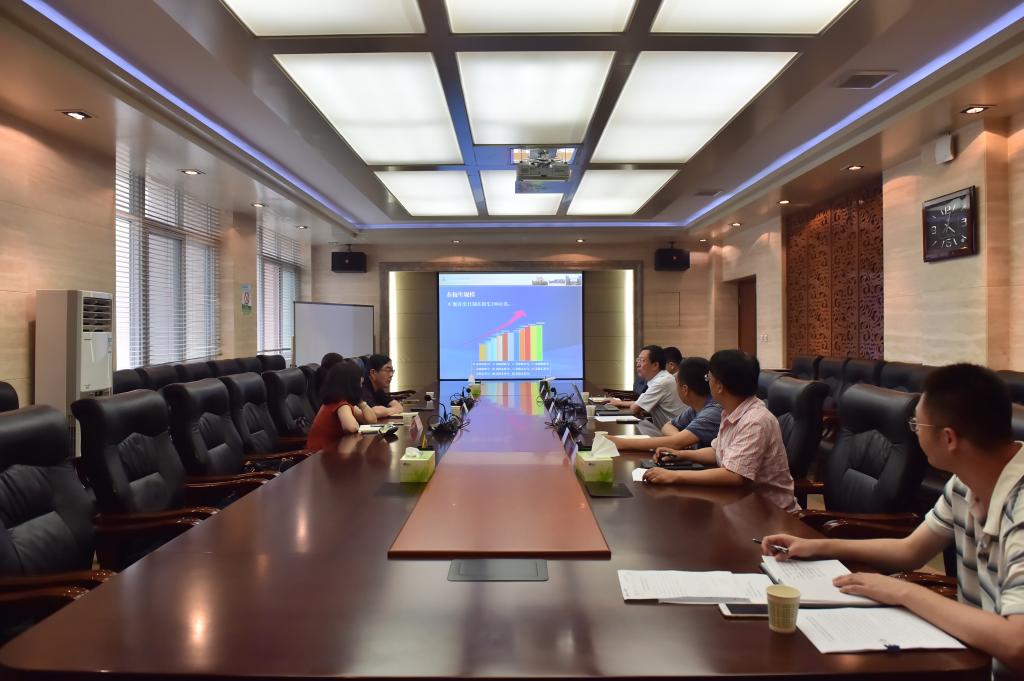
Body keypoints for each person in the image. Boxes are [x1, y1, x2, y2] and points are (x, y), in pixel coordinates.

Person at [760, 364, 1024, 679]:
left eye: (916, 425)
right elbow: (910, 550)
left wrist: (902, 592)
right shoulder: (965, 483)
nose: (915, 432)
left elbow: (1016, 643)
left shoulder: (1019, 506)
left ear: (949, 438)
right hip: (974, 659)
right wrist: (817, 546)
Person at [643, 349, 798, 512]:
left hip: (770, 513)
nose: (707, 382)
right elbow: (717, 451)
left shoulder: (755, 420)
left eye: (708, 378)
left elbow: (734, 475)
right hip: (740, 503)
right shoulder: (731, 411)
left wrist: (673, 476)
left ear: (719, 386)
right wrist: (680, 454)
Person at [608, 356, 721, 452]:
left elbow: (676, 443)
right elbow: (668, 426)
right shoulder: (695, 407)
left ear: (685, 389)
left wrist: (622, 443)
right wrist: (681, 439)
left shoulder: (712, 411)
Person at [306, 361, 377, 451]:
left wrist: (361, 402)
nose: (362, 380)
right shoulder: (339, 402)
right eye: (358, 378)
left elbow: (371, 420)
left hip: (329, 452)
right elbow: (351, 427)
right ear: (351, 382)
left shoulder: (343, 400)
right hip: (318, 455)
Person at [609, 345, 684, 428]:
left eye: (642, 360)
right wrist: (620, 403)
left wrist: (637, 407)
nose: (638, 364)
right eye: (638, 360)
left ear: (655, 365)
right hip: (670, 429)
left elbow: (635, 408)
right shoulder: (662, 378)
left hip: (676, 432)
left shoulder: (661, 382)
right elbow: (639, 403)